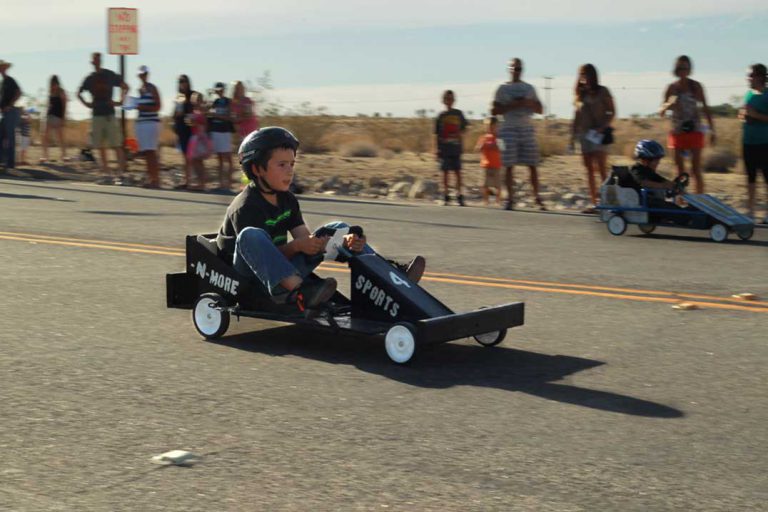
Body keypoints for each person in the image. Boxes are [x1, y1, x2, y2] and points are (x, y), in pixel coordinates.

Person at [216, 127, 426, 310]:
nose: (290, 171)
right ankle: (301, 291)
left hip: (284, 267)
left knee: (338, 227)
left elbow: (306, 241)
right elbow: (264, 255)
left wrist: (344, 244)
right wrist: (298, 246)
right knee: (251, 235)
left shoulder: (287, 199)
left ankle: (390, 278)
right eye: (281, 165)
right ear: (256, 169)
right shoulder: (245, 207)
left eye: (292, 164)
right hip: (251, 276)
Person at [492, 58, 546, 211]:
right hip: (508, 128)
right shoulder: (502, 89)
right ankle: (509, 198)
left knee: (533, 164)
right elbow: (494, 110)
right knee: (508, 165)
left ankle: (537, 198)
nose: (516, 71)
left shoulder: (529, 88)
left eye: (519, 68)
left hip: (526, 128)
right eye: (513, 68)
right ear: (508, 69)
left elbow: (541, 110)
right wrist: (513, 104)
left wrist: (529, 103)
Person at [659, 55, 715, 194]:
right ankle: (681, 199)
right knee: (679, 170)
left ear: (690, 69)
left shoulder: (696, 86)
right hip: (677, 131)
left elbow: (706, 108)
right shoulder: (671, 88)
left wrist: (712, 130)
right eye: (680, 67)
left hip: (694, 130)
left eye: (686, 67)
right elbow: (661, 111)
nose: (683, 70)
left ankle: (700, 200)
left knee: (695, 169)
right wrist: (668, 104)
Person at [571, 64, 616, 213]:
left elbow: (612, 111)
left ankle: (607, 202)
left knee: (602, 168)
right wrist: (572, 137)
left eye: (587, 74)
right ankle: (594, 202)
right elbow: (576, 117)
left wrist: (604, 127)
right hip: (585, 136)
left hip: (599, 134)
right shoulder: (579, 95)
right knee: (589, 169)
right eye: (582, 75)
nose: (585, 78)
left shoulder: (603, 91)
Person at [77, 52, 128, 183]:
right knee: (100, 146)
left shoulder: (109, 75)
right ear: (92, 62)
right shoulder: (90, 78)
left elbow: (125, 86)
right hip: (96, 114)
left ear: (101, 61)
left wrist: (119, 101)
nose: (97, 62)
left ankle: (121, 174)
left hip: (109, 113)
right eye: (95, 60)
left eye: (98, 59)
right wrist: (87, 104)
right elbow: (78, 93)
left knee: (116, 144)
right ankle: (106, 174)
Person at [740, 63, 768, 223]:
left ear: (759, 76)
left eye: (750, 75)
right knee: (750, 176)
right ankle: (750, 211)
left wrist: (755, 115)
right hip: (748, 141)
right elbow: (745, 112)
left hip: (764, 142)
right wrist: (743, 115)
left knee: (766, 177)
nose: (748, 78)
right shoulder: (748, 94)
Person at [435, 90, 468, 206]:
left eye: (451, 99)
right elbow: (437, 134)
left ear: (454, 100)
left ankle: (459, 195)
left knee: (458, 172)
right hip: (444, 148)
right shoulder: (441, 116)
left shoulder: (458, 114)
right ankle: (445, 195)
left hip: (456, 147)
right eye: (447, 99)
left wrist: (460, 139)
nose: (449, 101)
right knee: (445, 172)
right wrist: (437, 149)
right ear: (443, 100)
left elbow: (463, 129)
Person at [172, 75, 204, 190]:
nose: (182, 84)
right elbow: (175, 113)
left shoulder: (193, 95)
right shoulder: (178, 97)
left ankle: (200, 181)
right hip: (181, 129)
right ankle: (187, 180)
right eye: (180, 82)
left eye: (184, 81)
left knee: (194, 157)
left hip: (192, 131)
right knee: (185, 156)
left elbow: (199, 110)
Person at [135, 65, 162, 188]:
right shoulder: (140, 89)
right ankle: (151, 178)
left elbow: (158, 106)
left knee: (151, 152)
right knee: (146, 152)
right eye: (141, 74)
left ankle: (155, 179)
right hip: (142, 122)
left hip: (151, 123)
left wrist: (143, 107)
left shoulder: (152, 88)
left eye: (145, 74)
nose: (143, 76)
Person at [209, 82, 235, 192]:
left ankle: (228, 184)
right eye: (217, 89)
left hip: (225, 131)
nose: (219, 91)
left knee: (227, 158)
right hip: (216, 130)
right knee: (219, 158)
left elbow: (229, 116)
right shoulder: (215, 101)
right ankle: (220, 184)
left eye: (221, 89)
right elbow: (209, 112)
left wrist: (217, 115)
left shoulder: (228, 101)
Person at [474, 117, 503, 206]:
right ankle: (486, 200)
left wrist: (496, 146)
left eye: (492, 126)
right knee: (484, 184)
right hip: (485, 164)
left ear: (496, 126)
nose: (489, 128)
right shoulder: (483, 138)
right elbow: (477, 149)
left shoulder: (499, 138)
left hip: (496, 164)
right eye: (487, 126)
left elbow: (502, 148)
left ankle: (498, 201)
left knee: (497, 184)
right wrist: (481, 146)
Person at [0, 59, 22, 170]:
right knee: (2, 136)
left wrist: (10, 105)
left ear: (5, 68)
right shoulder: (3, 82)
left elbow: (19, 92)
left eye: (3, 67)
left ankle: (10, 164)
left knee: (10, 137)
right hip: (4, 113)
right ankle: (3, 162)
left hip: (11, 112)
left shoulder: (10, 80)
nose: (1, 69)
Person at [41, 75, 68, 163]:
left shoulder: (61, 91)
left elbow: (64, 104)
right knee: (45, 135)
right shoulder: (51, 91)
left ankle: (64, 155)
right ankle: (45, 156)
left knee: (60, 137)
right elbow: (49, 104)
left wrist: (63, 118)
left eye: (54, 83)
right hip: (50, 115)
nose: (53, 85)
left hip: (58, 117)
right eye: (52, 83)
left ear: (57, 83)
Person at [186, 104, 212, 191]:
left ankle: (202, 183)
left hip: (199, 138)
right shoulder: (193, 113)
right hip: (195, 138)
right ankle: (200, 183)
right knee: (195, 161)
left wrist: (193, 121)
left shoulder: (200, 114)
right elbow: (189, 123)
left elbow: (202, 124)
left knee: (198, 161)